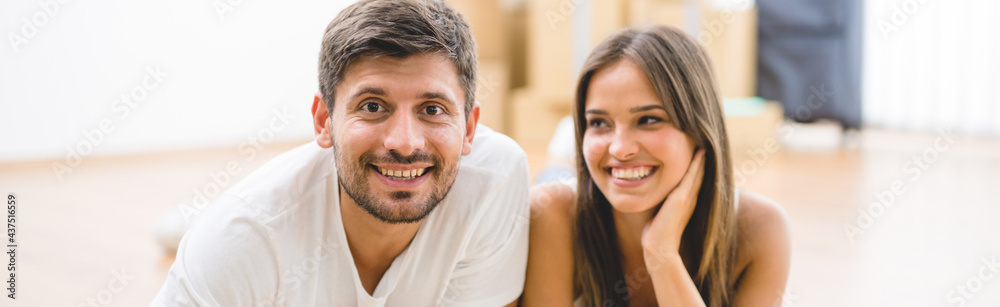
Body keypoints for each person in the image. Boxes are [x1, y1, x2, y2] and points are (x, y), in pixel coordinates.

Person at [152, 0, 530, 306]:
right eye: (372, 106)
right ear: (324, 121)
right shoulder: (238, 242)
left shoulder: (496, 180)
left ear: (469, 129)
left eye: (432, 109)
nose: (404, 142)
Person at [522, 26, 791, 307]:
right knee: (556, 174)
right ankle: (565, 145)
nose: (620, 148)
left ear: (700, 130)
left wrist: (661, 253)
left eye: (648, 120)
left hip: (620, 174)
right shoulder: (551, 213)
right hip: (576, 181)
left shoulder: (762, 228)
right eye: (599, 122)